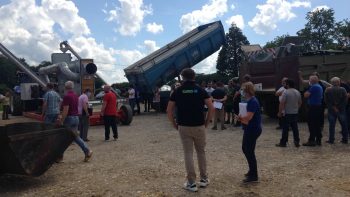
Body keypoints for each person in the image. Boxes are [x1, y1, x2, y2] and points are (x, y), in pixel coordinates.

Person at [167, 68, 214, 192]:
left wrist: (174, 124)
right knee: (201, 152)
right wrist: (207, 123)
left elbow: (169, 110)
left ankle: (191, 183)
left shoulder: (177, 91)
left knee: (188, 153)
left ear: (183, 77)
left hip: (183, 126)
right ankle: (204, 179)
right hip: (199, 125)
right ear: (194, 77)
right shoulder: (201, 90)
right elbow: (211, 107)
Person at [57, 81, 93, 162]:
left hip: (69, 119)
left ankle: (59, 156)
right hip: (76, 118)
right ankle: (87, 151)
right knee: (75, 137)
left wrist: (62, 120)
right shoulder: (75, 96)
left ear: (65, 87)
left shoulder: (66, 97)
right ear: (72, 87)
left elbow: (66, 110)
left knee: (63, 138)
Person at [235, 82, 262, 183]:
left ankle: (253, 175)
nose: (241, 91)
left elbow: (248, 118)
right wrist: (240, 117)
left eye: (243, 90)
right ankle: (252, 171)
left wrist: (239, 118)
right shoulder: (249, 100)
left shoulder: (253, 102)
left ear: (247, 91)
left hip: (253, 129)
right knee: (245, 149)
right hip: (249, 128)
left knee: (249, 151)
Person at [275, 79, 302, 147]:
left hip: (287, 113)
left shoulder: (286, 92)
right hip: (295, 113)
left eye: (285, 84)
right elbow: (300, 102)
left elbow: (282, 103)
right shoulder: (297, 92)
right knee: (295, 128)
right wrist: (296, 109)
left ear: (288, 85)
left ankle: (283, 142)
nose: (284, 85)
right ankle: (297, 141)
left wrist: (279, 112)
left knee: (285, 128)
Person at [324, 77, 348, 144]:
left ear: (332, 83)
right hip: (341, 110)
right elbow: (345, 100)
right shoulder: (343, 89)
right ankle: (345, 139)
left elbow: (326, 100)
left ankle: (331, 140)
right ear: (338, 82)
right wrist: (339, 107)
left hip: (331, 110)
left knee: (332, 125)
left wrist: (333, 107)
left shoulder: (328, 90)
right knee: (344, 125)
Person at [303, 75, 324, 146]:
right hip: (318, 107)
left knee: (311, 124)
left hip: (313, 107)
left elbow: (306, 95)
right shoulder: (319, 86)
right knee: (316, 124)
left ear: (311, 81)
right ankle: (318, 139)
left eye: (309, 80)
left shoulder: (313, 87)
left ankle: (312, 140)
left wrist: (307, 89)